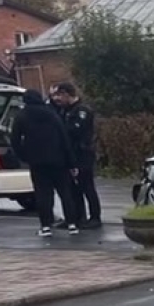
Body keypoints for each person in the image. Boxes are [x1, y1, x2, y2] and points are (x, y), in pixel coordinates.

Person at [10, 89, 80, 237]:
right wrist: (72, 162)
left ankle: (46, 226)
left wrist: (24, 156)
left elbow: (14, 140)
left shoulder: (22, 116)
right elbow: (64, 138)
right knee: (65, 192)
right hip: (58, 160)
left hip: (37, 162)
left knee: (43, 194)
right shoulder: (51, 114)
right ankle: (72, 224)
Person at [52, 81, 102, 229]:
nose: (58, 99)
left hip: (83, 153)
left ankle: (95, 217)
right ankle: (78, 217)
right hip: (70, 154)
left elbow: (74, 130)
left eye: (60, 95)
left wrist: (61, 130)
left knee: (87, 186)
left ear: (67, 94)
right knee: (73, 188)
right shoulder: (64, 110)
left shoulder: (82, 110)